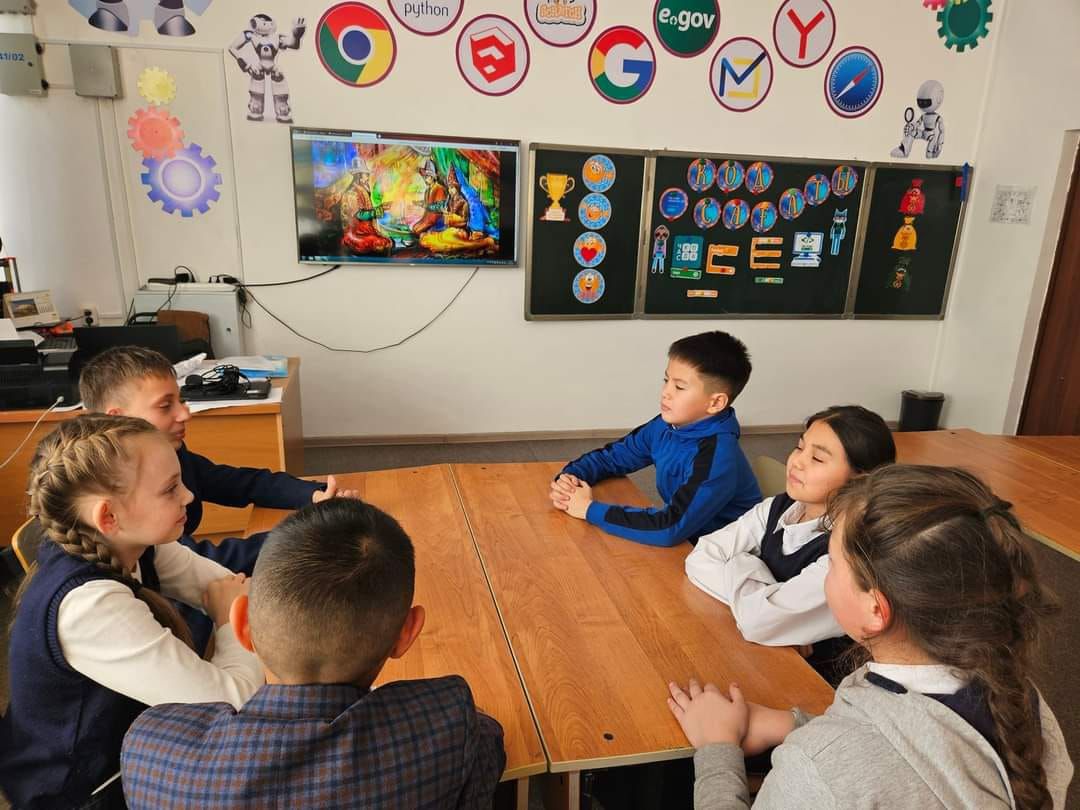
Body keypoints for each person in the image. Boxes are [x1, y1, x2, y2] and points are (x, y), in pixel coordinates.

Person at [667, 465, 1074, 809]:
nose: (825, 576)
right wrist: (796, 724)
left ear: (876, 611)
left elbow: (867, 767)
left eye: (831, 564)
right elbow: (924, 754)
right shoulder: (1021, 699)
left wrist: (717, 748)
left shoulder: (818, 770)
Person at [122, 498, 507, 809]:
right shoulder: (448, 725)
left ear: (242, 626)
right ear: (406, 634)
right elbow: (487, 746)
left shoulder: (151, 750)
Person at [0, 415, 263, 810]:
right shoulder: (89, 609)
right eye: (170, 489)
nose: (189, 496)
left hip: (130, 743)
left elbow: (230, 589)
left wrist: (235, 611)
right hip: (83, 791)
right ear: (109, 517)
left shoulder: (133, 542)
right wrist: (229, 622)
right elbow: (233, 702)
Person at [78, 345, 357, 575]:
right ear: (118, 419)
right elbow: (196, 562)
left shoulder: (171, 456)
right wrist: (307, 532)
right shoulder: (114, 493)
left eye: (181, 400)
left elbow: (240, 483)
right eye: (165, 406)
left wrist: (314, 495)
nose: (185, 414)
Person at [685, 405, 895, 684]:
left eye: (817, 458)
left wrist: (741, 562)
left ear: (860, 479)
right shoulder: (781, 506)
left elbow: (758, 623)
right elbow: (701, 557)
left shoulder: (847, 552)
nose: (797, 462)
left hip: (816, 683)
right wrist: (769, 610)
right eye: (799, 447)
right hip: (760, 652)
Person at [550, 331, 761, 547]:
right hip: (688, 539)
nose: (665, 392)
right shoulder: (666, 426)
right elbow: (612, 458)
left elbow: (669, 528)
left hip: (724, 553)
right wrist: (570, 479)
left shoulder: (718, 457)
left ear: (715, 403)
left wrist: (587, 509)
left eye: (679, 387)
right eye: (666, 380)